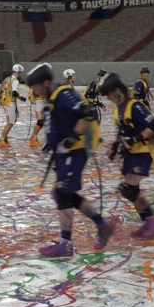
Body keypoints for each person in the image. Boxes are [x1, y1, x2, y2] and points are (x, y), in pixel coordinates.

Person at [24, 64, 111, 257]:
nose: (35, 92)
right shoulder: (51, 98)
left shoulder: (63, 94)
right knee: (63, 194)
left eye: (36, 87)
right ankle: (102, 225)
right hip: (63, 154)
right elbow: (57, 123)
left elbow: (86, 114)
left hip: (74, 152)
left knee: (63, 194)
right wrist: (50, 144)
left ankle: (67, 243)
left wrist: (72, 137)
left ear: (46, 83)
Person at [100, 73, 154, 240]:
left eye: (109, 94)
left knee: (129, 188)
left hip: (143, 152)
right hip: (131, 153)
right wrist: (115, 147)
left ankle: (152, 221)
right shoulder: (119, 108)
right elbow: (122, 130)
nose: (108, 98)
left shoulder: (135, 106)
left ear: (117, 90)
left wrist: (135, 138)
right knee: (130, 191)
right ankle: (147, 220)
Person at [0, 64, 26, 148]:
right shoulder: (15, 81)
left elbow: (0, 89)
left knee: (9, 121)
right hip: (10, 102)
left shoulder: (7, 79)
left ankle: (5, 138)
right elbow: (14, 92)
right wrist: (21, 98)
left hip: (4, 102)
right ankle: (1, 139)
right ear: (19, 72)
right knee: (11, 122)